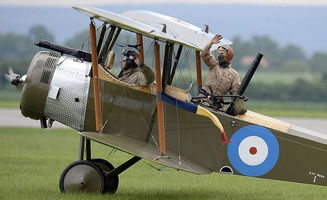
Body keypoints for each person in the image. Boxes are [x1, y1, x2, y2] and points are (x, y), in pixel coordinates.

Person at [200, 35, 246, 114]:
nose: (219, 55)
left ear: (228, 56)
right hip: (204, 100)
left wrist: (236, 105)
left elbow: (236, 93)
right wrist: (211, 43)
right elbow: (203, 54)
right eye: (218, 53)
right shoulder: (214, 64)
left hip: (217, 106)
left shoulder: (234, 74)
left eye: (222, 53)